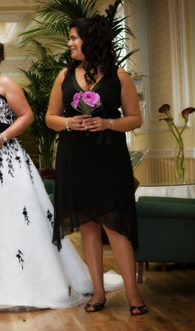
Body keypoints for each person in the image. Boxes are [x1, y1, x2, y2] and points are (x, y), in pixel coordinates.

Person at [0, 41, 123, 310]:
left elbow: (26, 116)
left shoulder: (5, 84)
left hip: (6, 160)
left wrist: (3, 137)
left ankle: (29, 284)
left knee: (13, 218)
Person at [45, 16, 147, 315]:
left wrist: (107, 122)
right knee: (88, 225)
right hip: (74, 157)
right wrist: (68, 122)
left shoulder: (119, 76)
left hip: (108, 158)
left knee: (115, 227)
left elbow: (135, 119)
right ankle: (98, 293)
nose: (70, 43)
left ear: (91, 40)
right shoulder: (64, 75)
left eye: (74, 37)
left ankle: (133, 294)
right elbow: (50, 117)